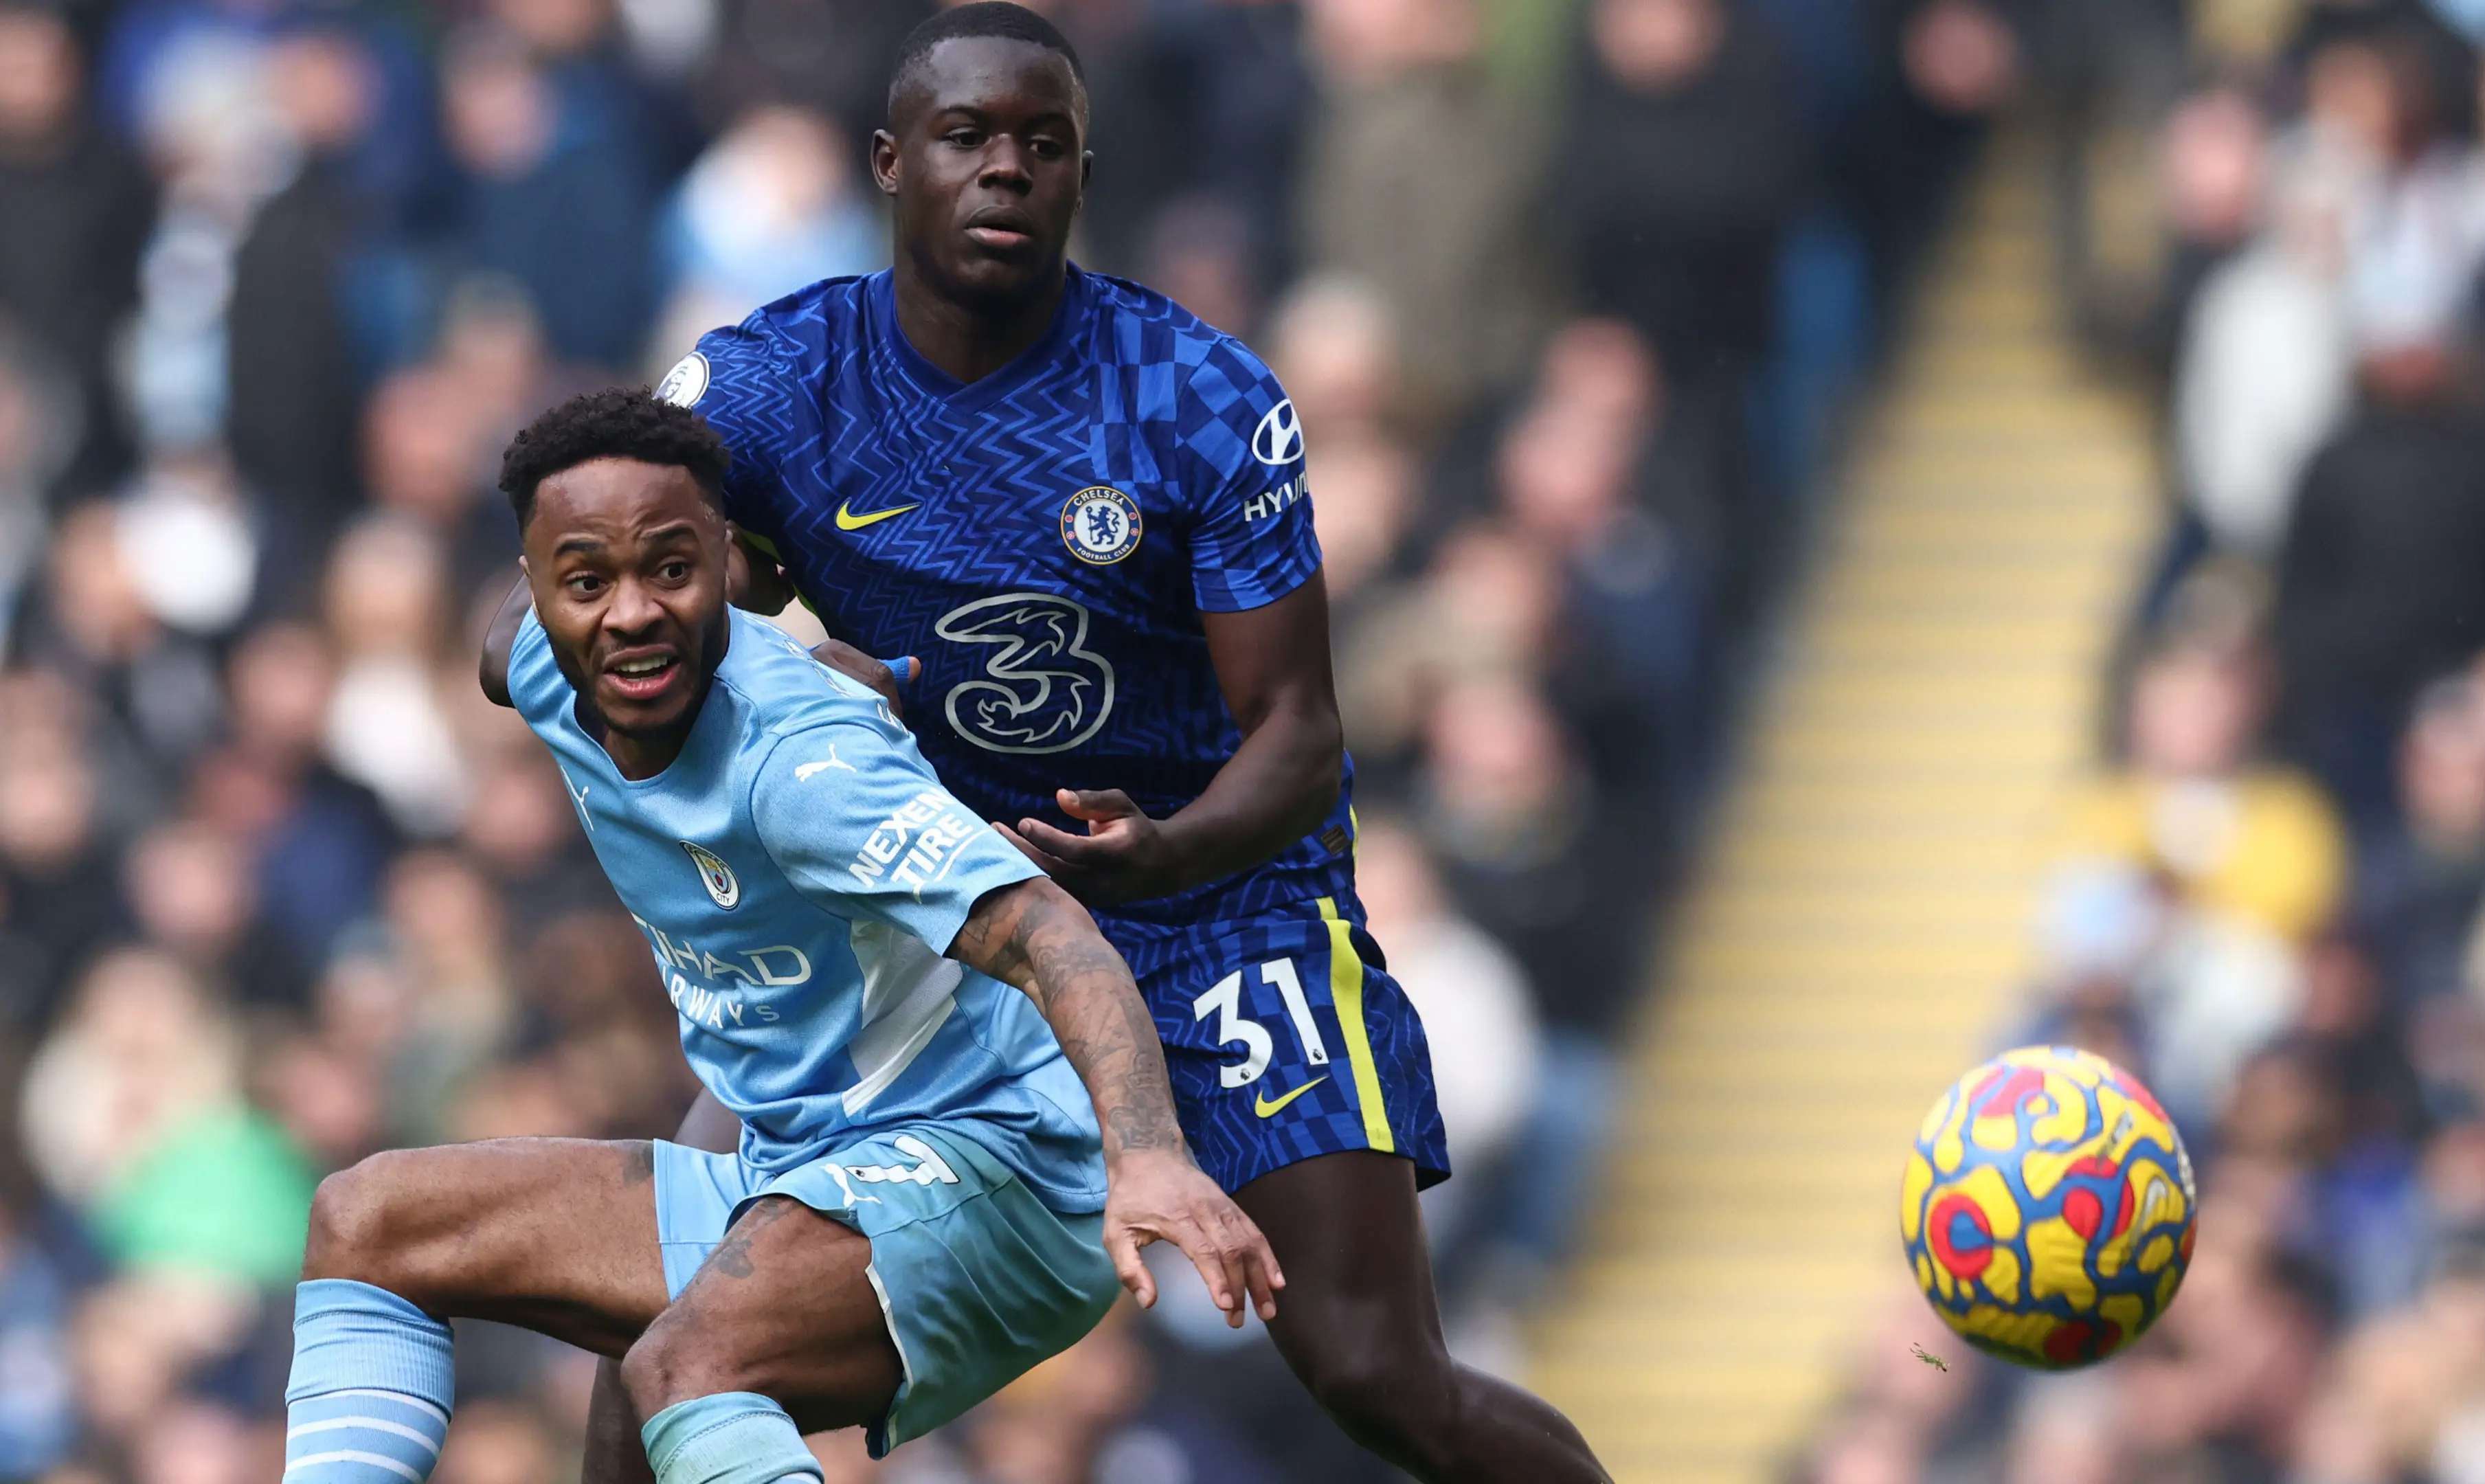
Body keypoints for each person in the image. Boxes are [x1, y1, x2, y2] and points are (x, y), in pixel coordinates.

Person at [614, 5, 1609, 1479]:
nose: (1004, 170)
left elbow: (1297, 730)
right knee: (663, 1299)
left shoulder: (1199, 400)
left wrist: (1167, 852)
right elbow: (598, 550)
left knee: (1373, 1368)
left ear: (1088, 171)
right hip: (948, 915)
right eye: (966, 139)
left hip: (1218, 914)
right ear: (889, 164)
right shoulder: (772, 382)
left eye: (1042, 143)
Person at [282, 387, 1281, 1484]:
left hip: (1001, 1163)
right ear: (538, 588)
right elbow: (492, 647)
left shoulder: (806, 769)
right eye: (585, 580)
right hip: (801, 1161)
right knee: (364, 1221)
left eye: (672, 569)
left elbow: (1050, 930)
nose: (631, 615)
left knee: (686, 1367)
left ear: (725, 562)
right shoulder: (540, 667)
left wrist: (1150, 1158)